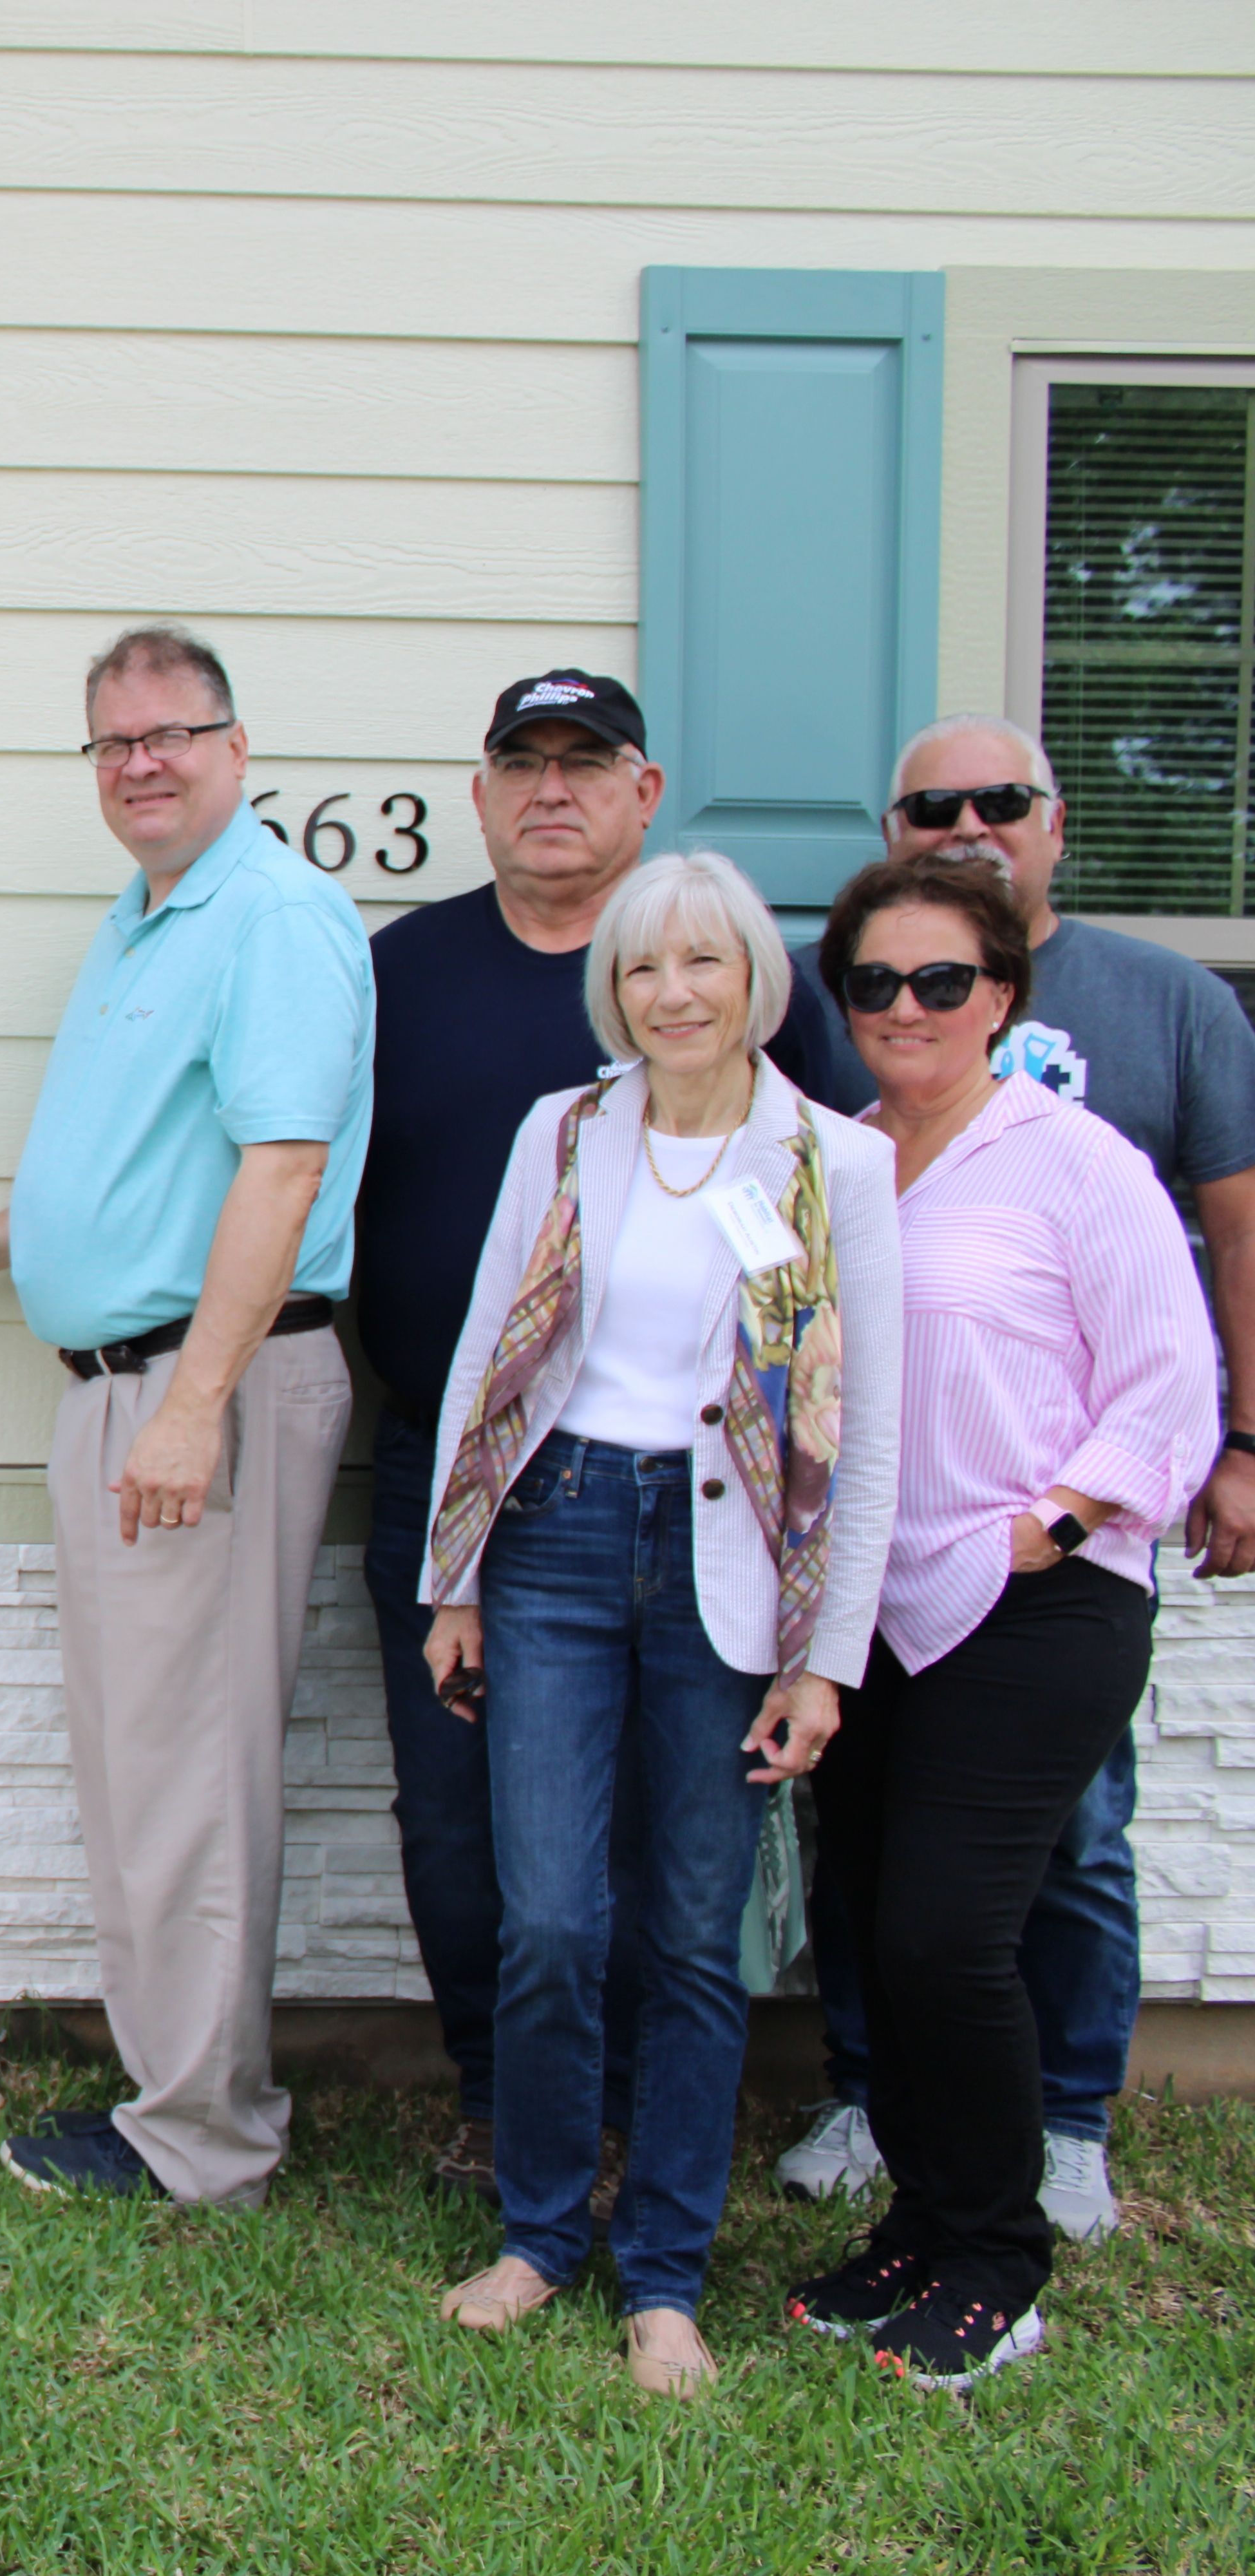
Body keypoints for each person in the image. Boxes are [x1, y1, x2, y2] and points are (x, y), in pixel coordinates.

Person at [0, 625, 370, 2203]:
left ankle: (204, 2135)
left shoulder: (273, 918)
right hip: (124, 1388)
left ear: (233, 744)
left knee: (190, 1772)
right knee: (141, 1761)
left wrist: (194, 1406)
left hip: (196, 1389)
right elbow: (117, 1157)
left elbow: (282, 1169)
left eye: (172, 732)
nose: (141, 761)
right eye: (112, 742)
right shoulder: (142, 921)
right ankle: (174, 2087)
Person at [355, 671, 858, 2199]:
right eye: (525, 762)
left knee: (671, 1840)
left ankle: (642, 2115)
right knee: (469, 1828)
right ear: (484, 791)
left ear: (646, 795)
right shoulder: (404, 972)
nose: (553, 788)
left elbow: (828, 1259)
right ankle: (506, 2105)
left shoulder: (762, 996)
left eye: (589, 763)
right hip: (466, 1471)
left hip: (703, 1498)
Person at [415, 852, 900, 2396]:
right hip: (553, 1533)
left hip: (732, 1574)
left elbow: (866, 1427)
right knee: (551, 1917)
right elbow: (487, 1353)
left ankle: (668, 2274)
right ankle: (542, 2232)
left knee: (697, 1936)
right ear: (610, 989)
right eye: (640, 968)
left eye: (702, 962)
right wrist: (457, 1574)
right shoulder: (563, 1133)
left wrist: (829, 1652)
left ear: (758, 977)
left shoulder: (837, 1163)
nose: (672, 992)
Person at [771, 714, 1255, 2237]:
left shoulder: (1076, 1156)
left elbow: (1168, 1377)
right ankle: (921, 2224)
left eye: (943, 981)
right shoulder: (839, 1159)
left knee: (949, 1935)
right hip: (873, 1610)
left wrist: (1061, 1518)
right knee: (881, 1923)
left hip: (1032, 1600)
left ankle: (1004, 2234)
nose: (906, 1006)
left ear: (1003, 994)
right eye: (874, 983)